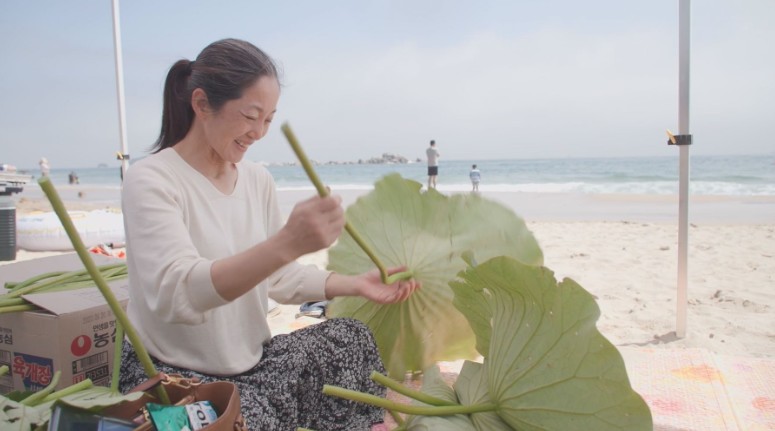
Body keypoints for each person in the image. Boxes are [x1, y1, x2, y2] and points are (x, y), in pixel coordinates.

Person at [118, 38, 420, 431]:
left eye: (269, 119)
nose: (258, 132)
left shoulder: (257, 178)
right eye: (250, 115)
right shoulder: (152, 179)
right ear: (201, 104)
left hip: (253, 367)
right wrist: (287, 242)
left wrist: (356, 284)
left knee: (351, 337)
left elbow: (276, 275)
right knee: (244, 416)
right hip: (177, 378)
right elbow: (177, 294)